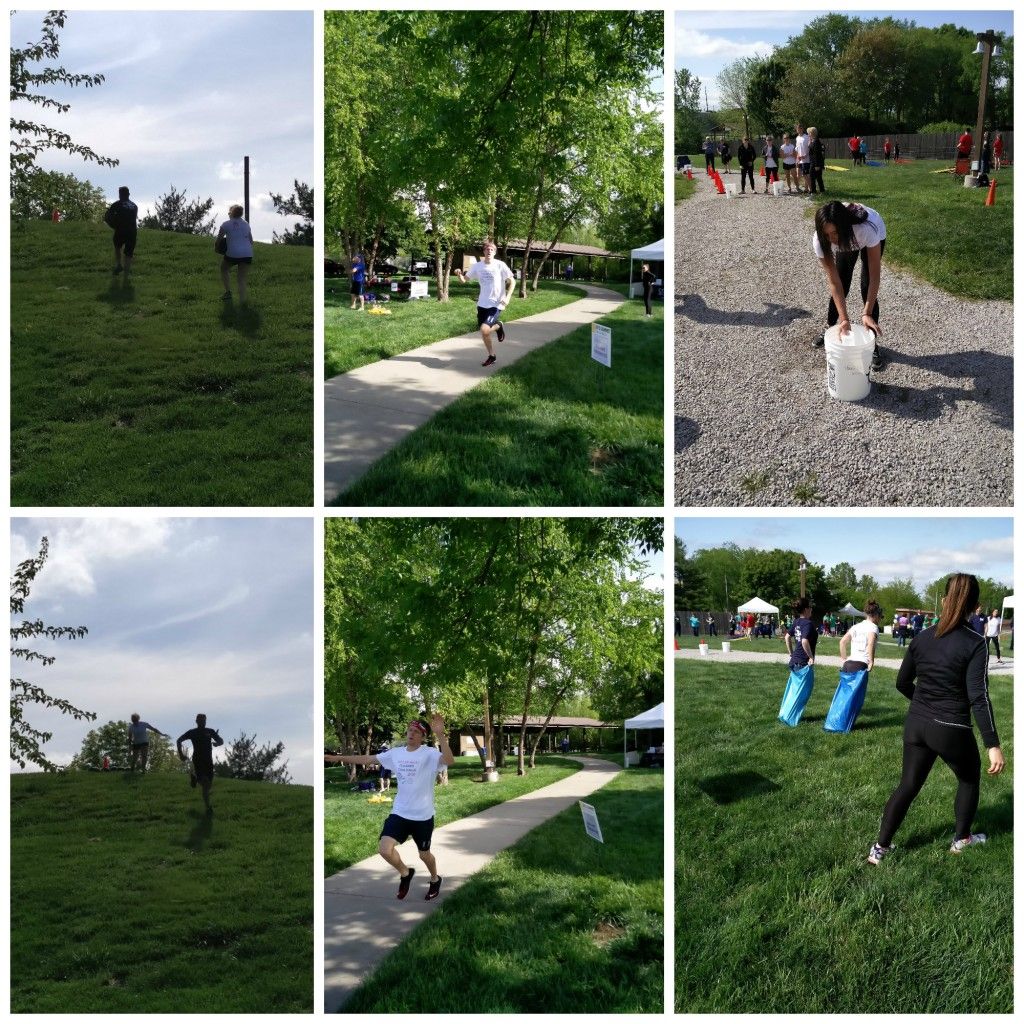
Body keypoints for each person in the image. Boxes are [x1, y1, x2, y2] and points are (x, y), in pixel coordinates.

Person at [868, 574, 1005, 865]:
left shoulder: (922, 637)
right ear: (976, 606)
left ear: (944, 600)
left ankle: (879, 848)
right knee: (969, 779)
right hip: (950, 727)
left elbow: (902, 683)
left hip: (916, 724)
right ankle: (962, 840)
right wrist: (992, 744)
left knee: (909, 784)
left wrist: (924, 704)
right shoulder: (975, 642)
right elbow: (978, 697)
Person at [331, 715, 455, 901]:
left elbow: (449, 760)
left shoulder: (429, 754)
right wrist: (333, 757)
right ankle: (405, 874)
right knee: (384, 849)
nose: (411, 733)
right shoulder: (395, 753)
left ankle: (435, 879)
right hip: (400, 812)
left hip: (422, 816)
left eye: (416, 731)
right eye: (409, 730)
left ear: (423, 736)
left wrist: (440, 734)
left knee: (424, 855)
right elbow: (367, 758)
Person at [810, 200, 887, 371]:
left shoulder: (866, 229)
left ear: (843, 227)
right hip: (849, 235)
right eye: (827, 235)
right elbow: (834, 282)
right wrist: (844, 318)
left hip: (867, 233)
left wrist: (866, 312)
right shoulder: (820, 240)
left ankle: (871, 342)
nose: (832, 240)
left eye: (835, 233)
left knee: (866, 285)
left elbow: (875, 276)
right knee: (842, 281)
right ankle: (830, 326)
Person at [454, 241, 514, 368]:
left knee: (484, 329)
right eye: (487, 249)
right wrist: (459, 275)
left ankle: (496, 329)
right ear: (484, 251)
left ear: (495, 252)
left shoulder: (500, 265)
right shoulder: (477, 266)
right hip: (482, 303)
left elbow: (512, 281)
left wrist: (508, 297)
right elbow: (464, 281)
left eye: (492, 249)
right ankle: (493, 351)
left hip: (496, 304)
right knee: (484, 333)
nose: (489, 251)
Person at [177, 714, 224, 813]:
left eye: (204, 720)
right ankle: (208, 808)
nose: (202, 722)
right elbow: (179, 740)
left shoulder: (210, 731)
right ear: (196, 721)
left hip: (208, 761)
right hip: (198, 760)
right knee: (206, 783)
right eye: (200, 720)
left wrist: (217, 743)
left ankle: (194, 777)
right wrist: (181, 754)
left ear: (206, 721)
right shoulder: (192, 732)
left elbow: (221, 741)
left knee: (208, 785)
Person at [216, 205, 254, 304]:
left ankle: (228, 292)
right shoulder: (246, 224)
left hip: (233, 253)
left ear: (231, 213)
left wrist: (217, 248)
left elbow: (218, 240)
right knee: (241, 278)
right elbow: (251, 241)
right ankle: (242, 302)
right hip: (247, 254)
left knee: (224, 269)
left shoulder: (226, 224)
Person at [103, 186, 139, 275]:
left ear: (120, 195)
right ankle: (126, 273)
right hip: (132, 231)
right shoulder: (134, 206)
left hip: (121, 230)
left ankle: (119, 265)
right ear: (128, 194)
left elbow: (108, 216)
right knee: (129, 252)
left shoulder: (116, 204)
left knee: (117, 246)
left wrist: (112, 224)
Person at [840, 601, 882, 672]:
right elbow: (870, 643)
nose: (880, 619)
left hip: (847, 664)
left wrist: (844, 660)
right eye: (881, 616)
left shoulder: (855, 626)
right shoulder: (873, 627)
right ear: (876, 615)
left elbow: (842, 642)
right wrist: (871, 661)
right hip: (861, 665)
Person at [785, 598, 817, 670]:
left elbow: (787, 637)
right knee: (805, 681)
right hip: (803, 662)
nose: (811, 609)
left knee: (796, 681)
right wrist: (811, 657)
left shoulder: (796, 622)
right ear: (806, 609)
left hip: (794, 661)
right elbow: (804, 641)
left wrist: (791, 653)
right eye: (810, 607)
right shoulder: (808, 623)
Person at [808, 127, 825, 195]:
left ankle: (814, 192)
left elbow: (817, 154)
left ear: (811, 133)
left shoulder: (816, 142)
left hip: (815, 163)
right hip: (814, 162)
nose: (808, 134)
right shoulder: (814, 141)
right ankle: (821, 191)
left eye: (809, 133)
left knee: (812, 177)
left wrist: (817, 165)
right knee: (818, 177)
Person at [794, 124, 811, 193]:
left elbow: (810, 148)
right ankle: (806, 189)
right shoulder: (797, 138)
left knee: (806, 174)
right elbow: (797, 149)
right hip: (799, 160)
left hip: (806, 159)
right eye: (797, 129)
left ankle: (810, 189)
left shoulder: (807, 137)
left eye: (800, 128)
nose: (798, 130)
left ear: (802, 129)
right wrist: (798, 157)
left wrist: (805, 155)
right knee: (801, 174)